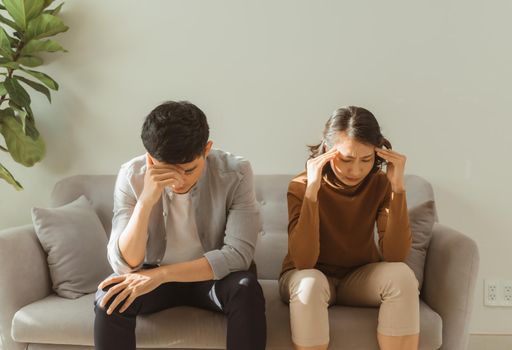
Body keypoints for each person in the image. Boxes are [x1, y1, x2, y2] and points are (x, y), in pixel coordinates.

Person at [93, 101, 267, 350]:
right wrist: (145, 201)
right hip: (152, 274)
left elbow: (239, 255)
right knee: (109, 299)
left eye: (189, 170)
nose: (178, 181)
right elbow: (124, 263)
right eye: (167, 172)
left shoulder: (236, 172)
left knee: (245, 288)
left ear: (207, 149)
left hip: (213, 277)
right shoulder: (132, 175)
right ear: (150, 158)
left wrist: (162, 275)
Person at [279, 106, 419, 350]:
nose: (356, 171)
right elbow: (303, 261)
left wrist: (398, 189)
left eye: (366, 160)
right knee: (310, 283)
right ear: (326, 149)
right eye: (346, 159)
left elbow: (395, 255)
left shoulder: (380, 185)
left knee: (402, 276)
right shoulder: (300, 186)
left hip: (358, 278)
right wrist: (312, 193)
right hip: (307, 274)